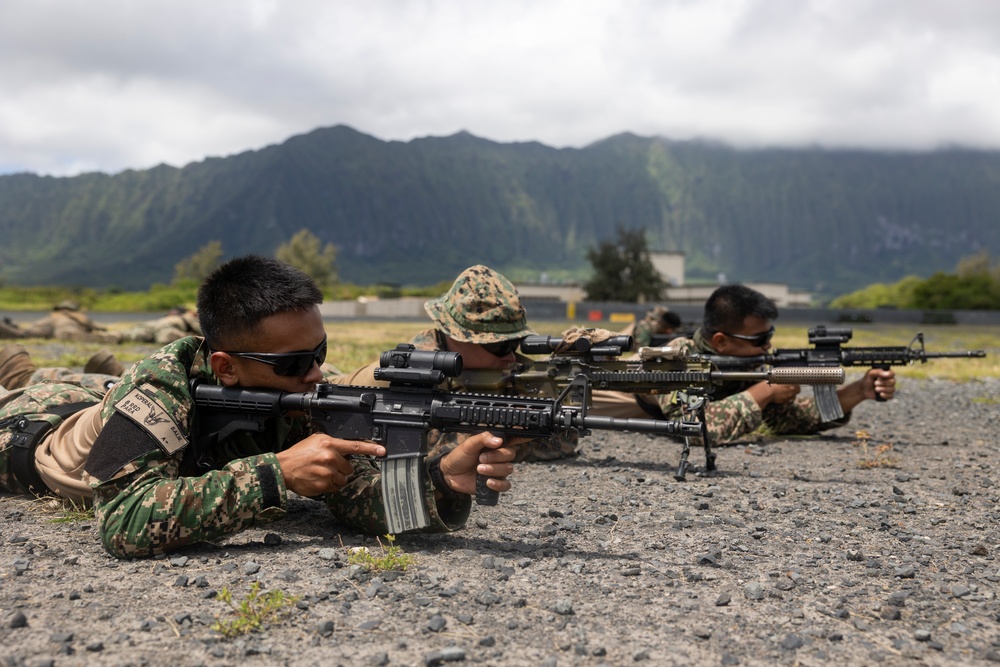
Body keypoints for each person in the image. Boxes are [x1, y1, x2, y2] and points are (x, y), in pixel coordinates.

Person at [0, 256, 516, 558]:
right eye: (294, 363)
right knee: (29, 388)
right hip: (31, 432)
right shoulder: (161, 386)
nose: (315, 375)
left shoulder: (297, 395)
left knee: (80, 383)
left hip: (94, 402)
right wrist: (274, 475)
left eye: (320, 354)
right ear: (224, 367)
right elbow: (123, 522)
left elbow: (361, 496)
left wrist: (442, 478)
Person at [333, 264, 580, 462]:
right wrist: (493, 435)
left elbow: (564, 439)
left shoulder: (500, 367)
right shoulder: (406, 374)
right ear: (455, 336)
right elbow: (419, 449)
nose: (511, 356)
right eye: (499, 345)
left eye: (514, 343)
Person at [651, 284, 896, 445]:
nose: (768, 346)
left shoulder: (744, 364)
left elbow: (787, 419)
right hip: (623, 403)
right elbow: (690, 427)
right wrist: (765, 390)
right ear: (721, 341)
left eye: (770, 335)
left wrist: (858, 392)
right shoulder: (676, 356)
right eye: (760, 339)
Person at [11, 301, 120, 344]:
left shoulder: (53, 314)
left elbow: (34, 326)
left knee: (26, 334)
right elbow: (90, 324)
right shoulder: (74, 314)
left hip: (46, 323)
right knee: (69, 334)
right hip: (66, 324)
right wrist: (101, 329)